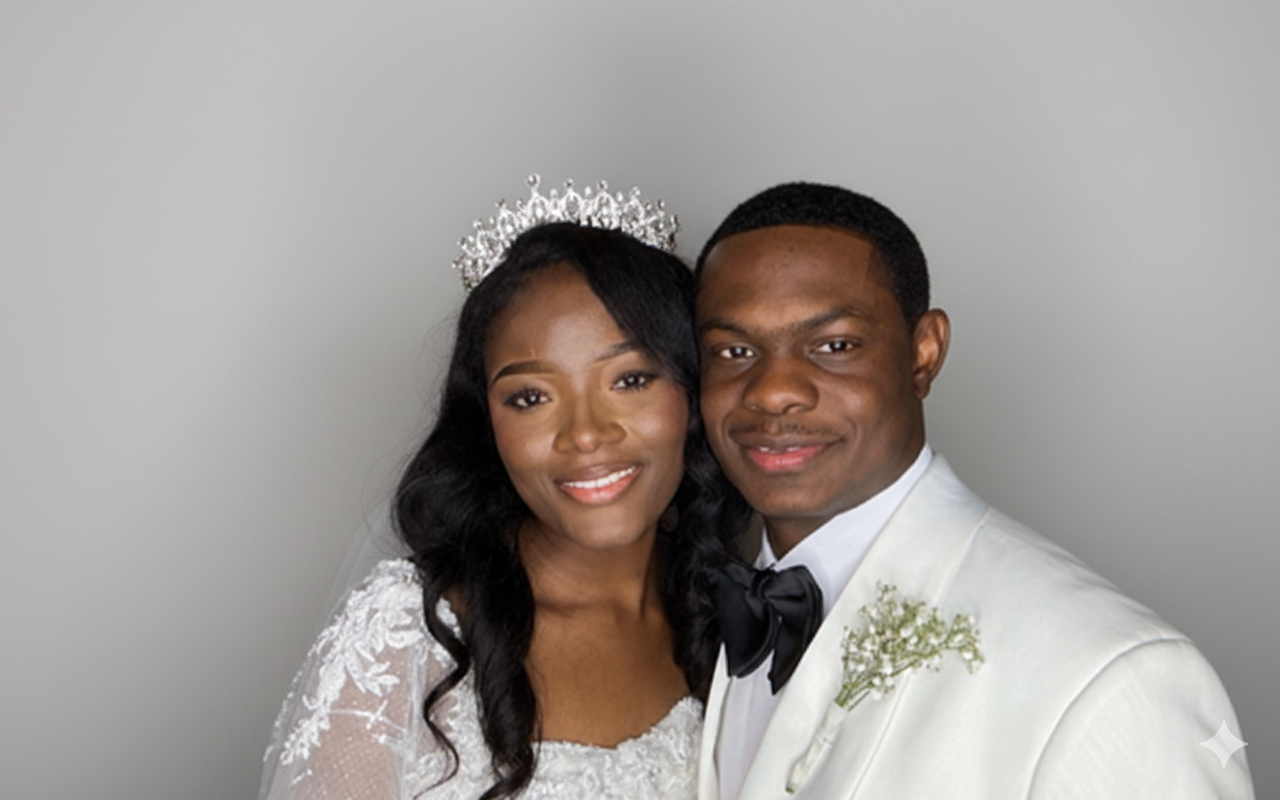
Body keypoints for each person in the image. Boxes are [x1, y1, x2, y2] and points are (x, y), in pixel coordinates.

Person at [693, 182, 1255, 799]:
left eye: (834, 346)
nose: (773, 392)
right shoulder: (700, 622)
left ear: (923, 353)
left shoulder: (1118, 677)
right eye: (734, 350)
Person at [259, 180, 748, 800]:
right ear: (488, 422)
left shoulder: (735, 618)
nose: (586, 435)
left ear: (693, 393)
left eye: (629, 380)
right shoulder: (411, 632)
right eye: (531, 397)